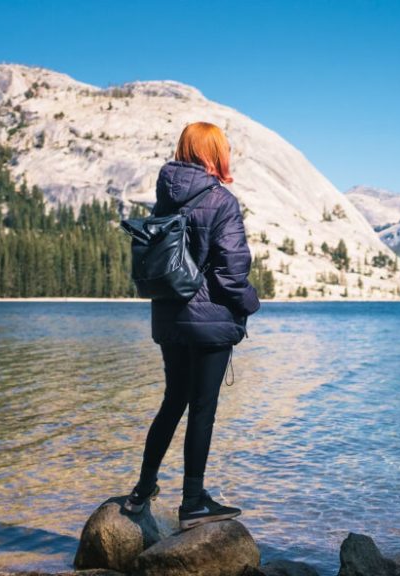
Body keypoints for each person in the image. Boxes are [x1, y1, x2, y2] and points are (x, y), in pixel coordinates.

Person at [123, 122, 261, 530]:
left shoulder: (163, 200)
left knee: (173, 402)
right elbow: (231, 273)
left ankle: (142, 491)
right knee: (203, 409)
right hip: (210, 322)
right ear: (214, 153)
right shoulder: (221, 201)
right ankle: (193, 502)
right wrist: (251, 304)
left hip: (170, 318)